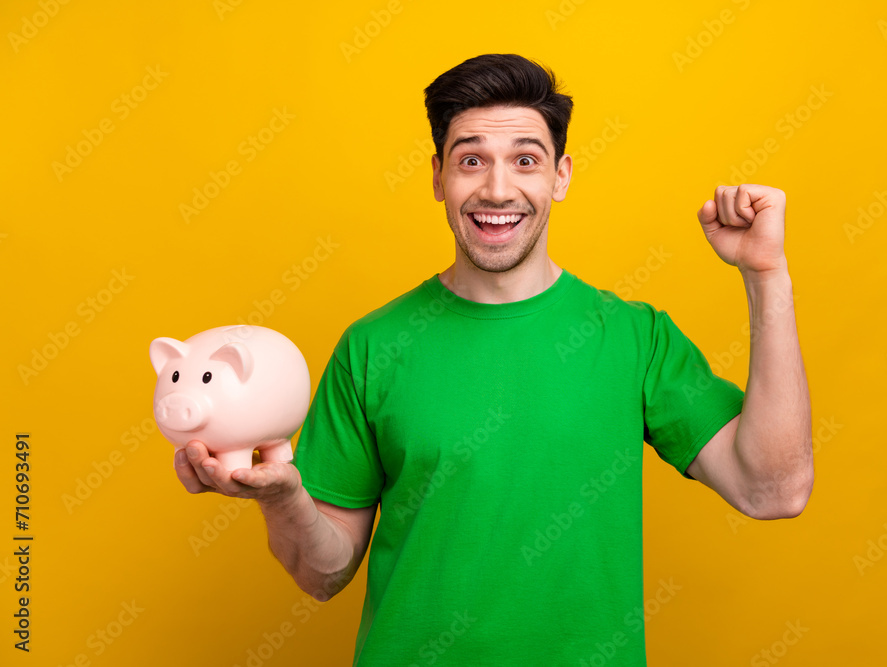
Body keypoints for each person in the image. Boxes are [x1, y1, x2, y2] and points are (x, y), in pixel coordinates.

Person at [174, 53, 813, 665]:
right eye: (471, 159)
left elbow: (774, 490)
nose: (498, 189)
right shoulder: (372, 346)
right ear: (437, 177)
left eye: (525, 160)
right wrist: (284, 498)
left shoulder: (633, 338)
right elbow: (323, 573)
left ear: (560, 176)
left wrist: (766, 273)